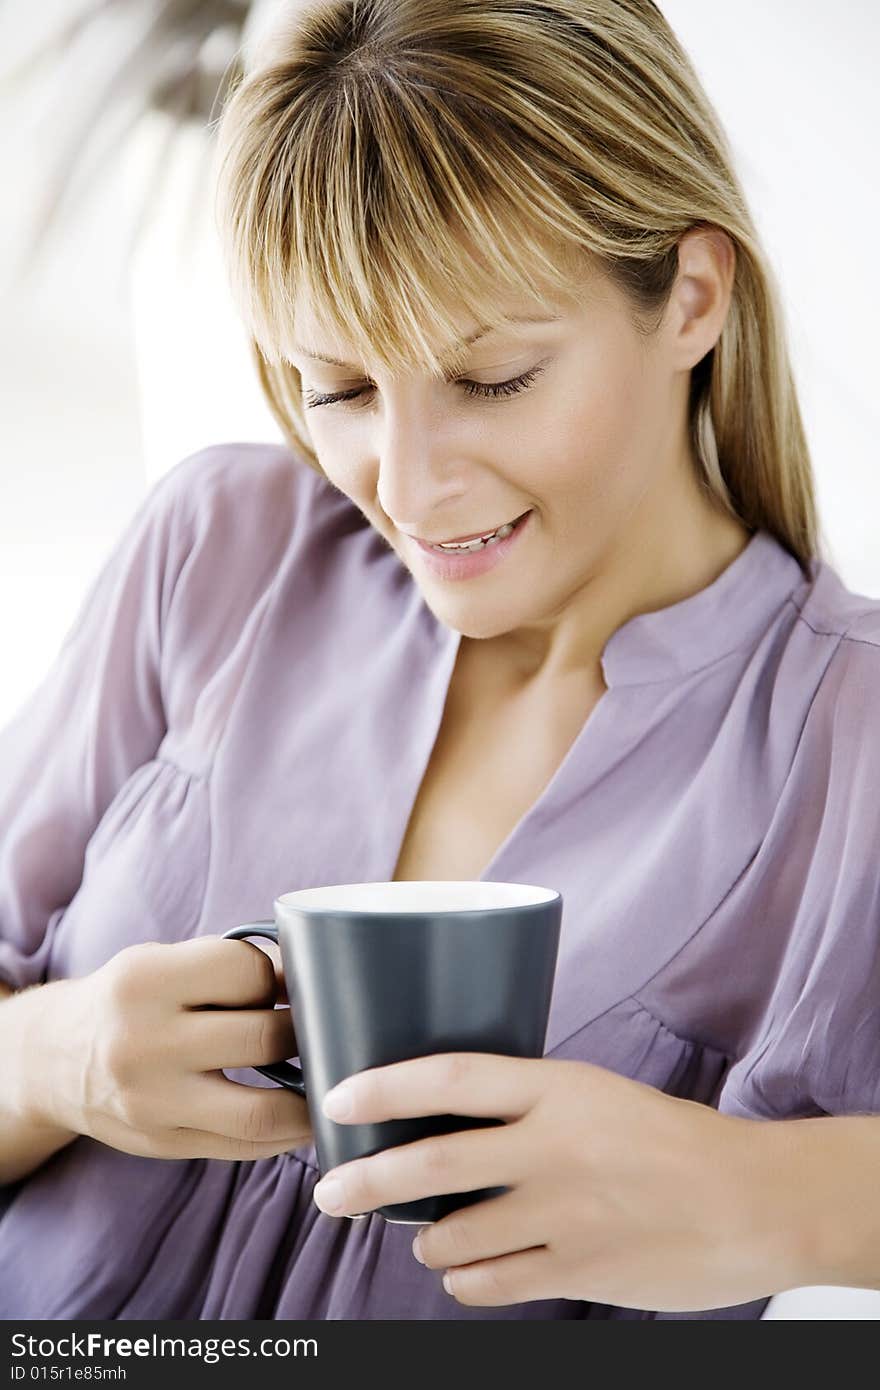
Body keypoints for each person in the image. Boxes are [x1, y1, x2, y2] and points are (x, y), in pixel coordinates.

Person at [1, 0, 878, 1321]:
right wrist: (44, 1061)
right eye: (339, 389)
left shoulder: (845, 734)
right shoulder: (219, 551)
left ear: (691, 295)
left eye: (494, 378)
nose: (405, 488)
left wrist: (764, 1195)